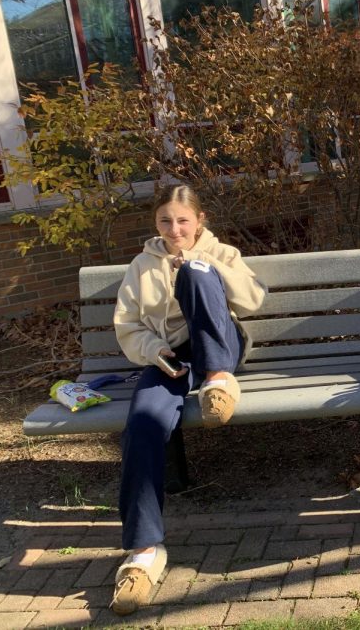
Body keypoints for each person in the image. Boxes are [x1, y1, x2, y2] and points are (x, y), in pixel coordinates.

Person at [110, 184, 265, 615]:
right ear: (155, 223)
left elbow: (253, 300)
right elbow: (128, 327)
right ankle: (143, 552)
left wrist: (204, 264)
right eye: (165, 220)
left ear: (200, 221)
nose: (174, 229)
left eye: (183, 220)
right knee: (142, 424)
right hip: (171, 360)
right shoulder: (140, 266)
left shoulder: (222, 252)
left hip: (219, 345)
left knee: (196, 272)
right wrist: (154, 352)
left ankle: (219, 379)